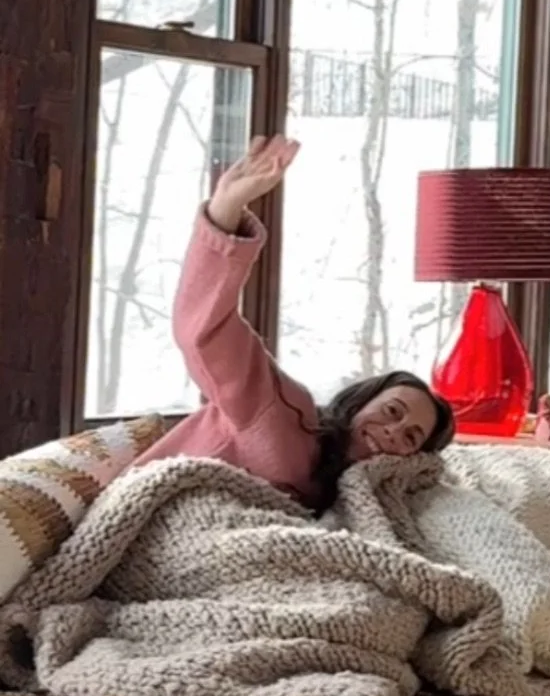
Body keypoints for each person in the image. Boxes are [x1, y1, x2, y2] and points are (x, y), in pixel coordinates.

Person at [137, 136, 455, 509]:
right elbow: (206, 332)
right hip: (160, 517)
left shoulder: (370, 494)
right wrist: (227, 208)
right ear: (359, 403)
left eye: (410, 437)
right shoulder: (282, 416)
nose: (393, 431)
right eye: (391, 411)